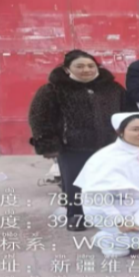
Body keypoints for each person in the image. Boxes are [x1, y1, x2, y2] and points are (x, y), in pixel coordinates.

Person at [29, 51, 129, 232]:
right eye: (79, 66)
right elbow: (39, 118)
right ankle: (76, 216)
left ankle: (107, 216)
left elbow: (127, 113)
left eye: (91, 66)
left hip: (109, 145)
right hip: (72, 146)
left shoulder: (113, 88)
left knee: (108, 182)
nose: (86, 70)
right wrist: (48, 144)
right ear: (67, 69)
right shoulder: (52, 90)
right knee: (75, 183)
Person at [75, 113, 139, 258]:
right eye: (136, 129)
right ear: (120, 131)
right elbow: (96, 196)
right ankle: (108, 239)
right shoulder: (106, 158)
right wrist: (118, 220)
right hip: (121, 212)